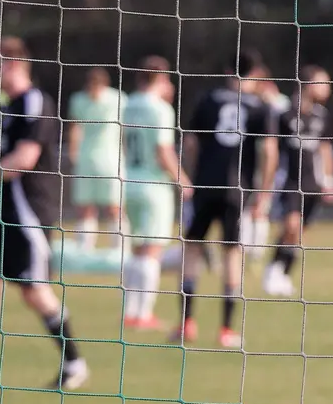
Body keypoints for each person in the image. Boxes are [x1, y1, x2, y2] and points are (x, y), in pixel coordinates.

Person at [0, 37, 88, 389]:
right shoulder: (1, 108)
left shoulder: (34, 101)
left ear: (12, 64)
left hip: (26, 213)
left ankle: (74, 363)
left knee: (33, 290)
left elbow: (24, 160)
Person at [176, 51, 280, 347]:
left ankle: (186, 324)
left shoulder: (208, 100)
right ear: (256, 73)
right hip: (237, 189)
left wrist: (192, 174)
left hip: (205, 185)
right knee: (232, 253)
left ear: (226, 70)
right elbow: (269, 151)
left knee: (192, 248)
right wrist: (264, 192)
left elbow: (191, 142)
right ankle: (225, 329)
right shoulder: (260, 106)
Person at [120, 56, 191, 329]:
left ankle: (130, 311)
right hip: (153, 185)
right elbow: (163, 150)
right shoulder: (160, 108)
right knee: (152, 251)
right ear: (160, 78)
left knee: (137, 249)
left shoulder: (128, 104)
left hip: (130, 180)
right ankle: (144, 314)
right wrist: (183, 180)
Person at [263, 65, 333, 296]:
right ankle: (274, 271)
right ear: (308, 84)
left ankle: (283, 273)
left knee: (298, 234)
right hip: (290, 181)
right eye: (323, 82)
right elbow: (273, 148)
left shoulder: (321, 115)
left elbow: (325, 149)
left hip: (313, 183)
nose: (327, 88)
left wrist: (329, 180)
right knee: (291, 225)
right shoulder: (285, 113)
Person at [65, 66, 127, 249]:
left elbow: (125, 129)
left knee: (114, 207)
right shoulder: (78, 99)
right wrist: (74, 154)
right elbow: (75, 127)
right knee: (85, 207)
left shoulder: (118, 98)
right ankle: (84, 250)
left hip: (112, 160)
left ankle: (120, 249)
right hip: (86, 159)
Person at [247, 74, 292, 250]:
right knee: (252, 205)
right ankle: (249, 245)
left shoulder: (281, 104)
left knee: (262, 204)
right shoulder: (255, 105)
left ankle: (256, 248)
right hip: (255, 161)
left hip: (276, 162)